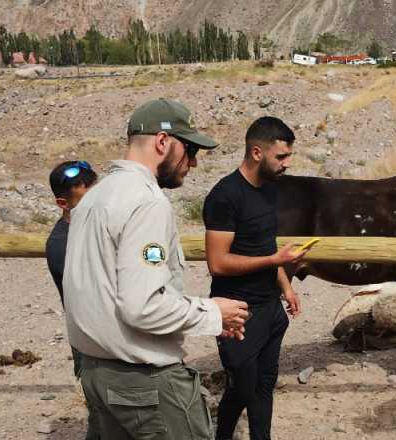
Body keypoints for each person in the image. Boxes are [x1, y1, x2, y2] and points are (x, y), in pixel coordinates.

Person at [63, 98, 250, 440]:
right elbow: (143, 306)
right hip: (143, 384)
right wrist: (213, 313)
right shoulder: (146, 202)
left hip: (96, 375)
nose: (192, 163)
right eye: (190, 150)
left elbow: (105, 292)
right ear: (163, 142)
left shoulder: (95, 196)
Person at [202, 117, 305, 440]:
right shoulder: (225, 196)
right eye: (281, 157)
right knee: (243, 389)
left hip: (270, 308)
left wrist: (286, 287)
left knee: (264, 387)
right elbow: (217, 263)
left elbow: (264, 245)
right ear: (257, 152)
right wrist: (276, 261)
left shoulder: (270, 190)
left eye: (289, 156)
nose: (287, 164)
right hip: (237, 313)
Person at [44, 160, 99, 439]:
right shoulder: (62, 244)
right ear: (62, 203)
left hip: (107, 338)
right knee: (104, 418)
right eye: (85, 194)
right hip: (92, 343)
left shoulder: (94, 228)